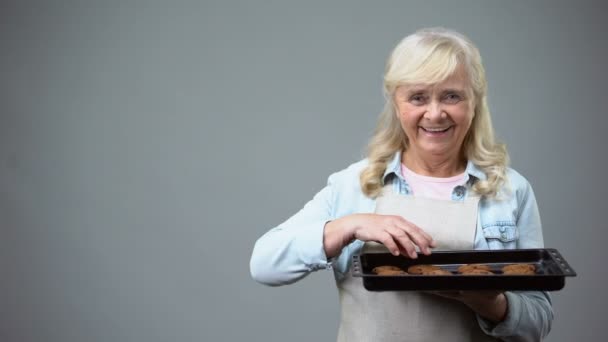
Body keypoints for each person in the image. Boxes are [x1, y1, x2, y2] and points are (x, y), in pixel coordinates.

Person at [249, 27, 553, 341]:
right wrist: (349, 225)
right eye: (418, 97)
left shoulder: (510, 192)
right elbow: (264, 264)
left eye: (451, 96)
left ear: (474, 101)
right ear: (396, 103)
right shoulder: (354, 186)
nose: (435, 114)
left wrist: (492, 304)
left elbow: (539, 320)